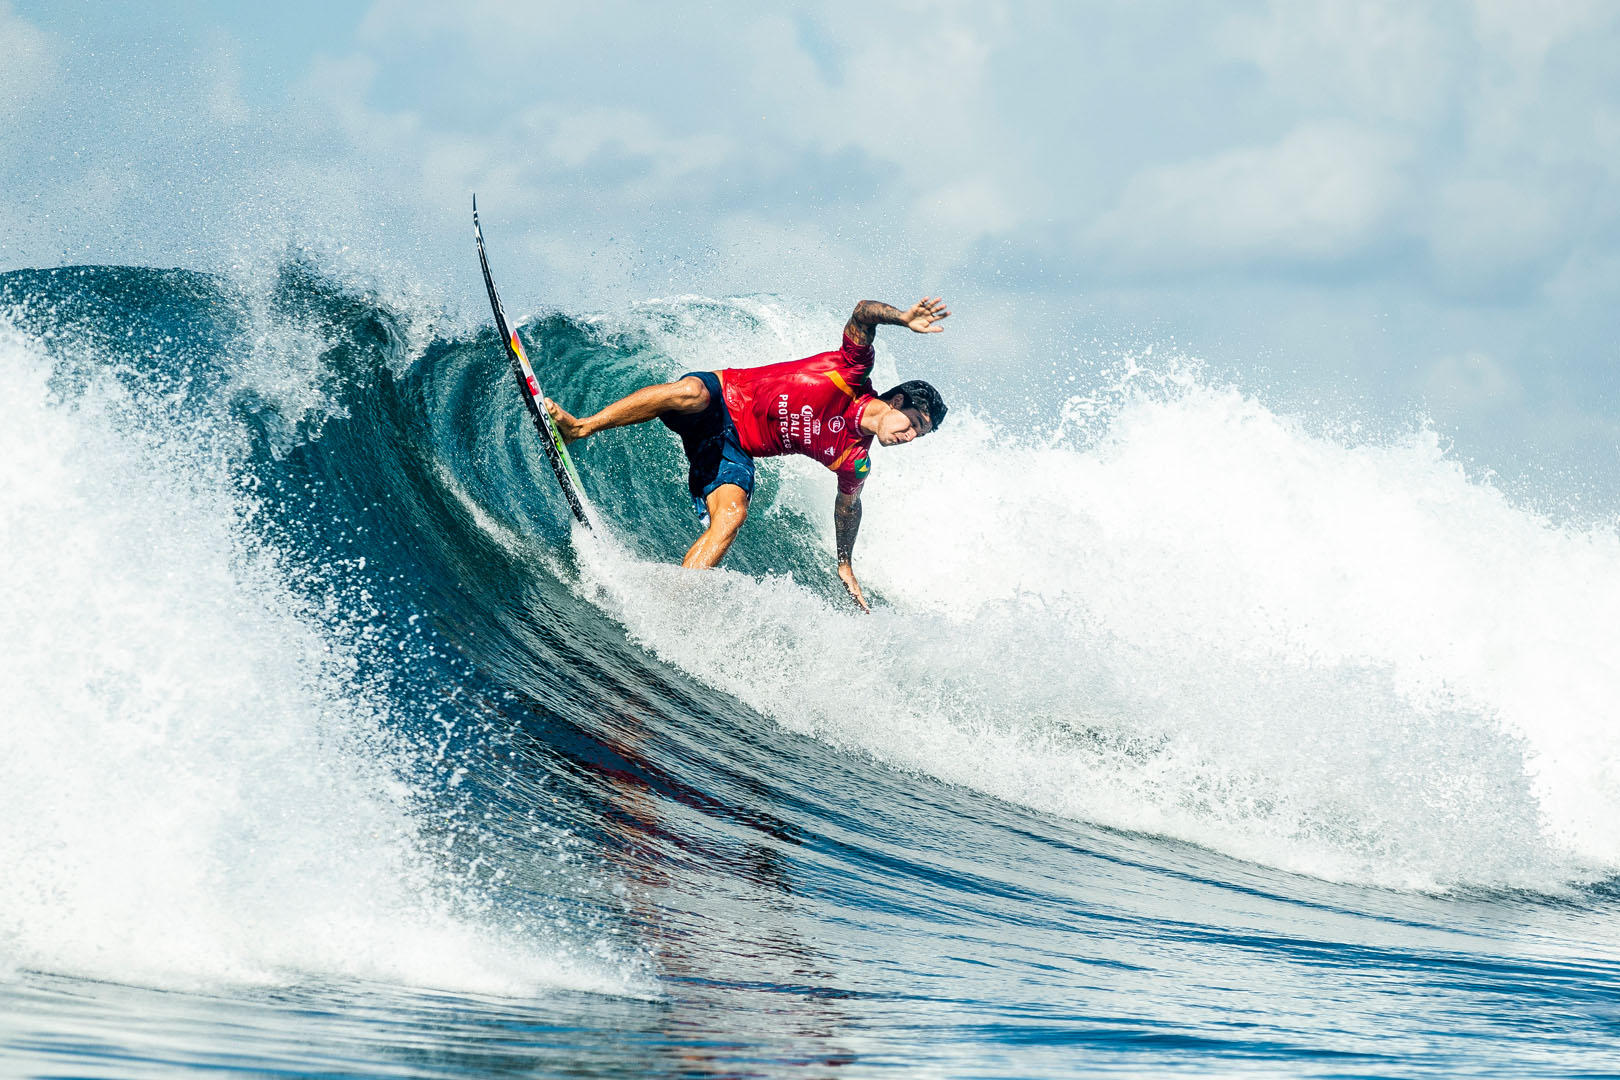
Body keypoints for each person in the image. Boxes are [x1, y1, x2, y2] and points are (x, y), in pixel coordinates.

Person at [544, 297, 950, 610]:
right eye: (913, 422)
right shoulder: (850, 372)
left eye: (920, 434)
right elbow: (862, 314)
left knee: (733, 516)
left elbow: (849, 508)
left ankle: (673, 603)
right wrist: (902, 318)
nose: (910, 436)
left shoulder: (853, 458)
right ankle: (581, 427)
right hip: (719, 398)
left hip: (730, 449)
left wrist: (844, 563)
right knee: (690, 392)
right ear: (896, 400)